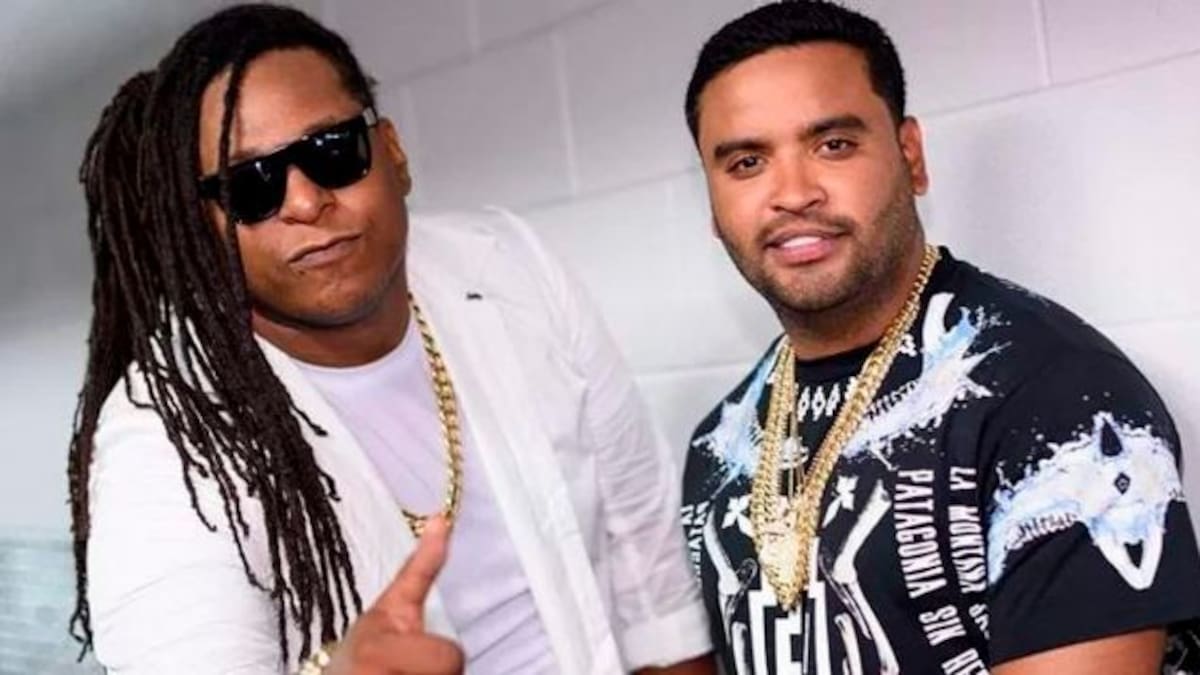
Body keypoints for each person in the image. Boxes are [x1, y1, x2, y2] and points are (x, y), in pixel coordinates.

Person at [67, 5, 714, 674]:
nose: (305, 202)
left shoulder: (508, 264)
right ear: (202, 224)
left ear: (393, 153)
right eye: (249, 186)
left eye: (331, 150)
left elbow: (652, 573)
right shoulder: (163, 440)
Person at [677, 2, 1200, 673]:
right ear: (714, 203)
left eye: (833, 145)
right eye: (747, 162)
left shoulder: (1056, 399)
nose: (793, 192)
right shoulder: (720, 444)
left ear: (911, 156)